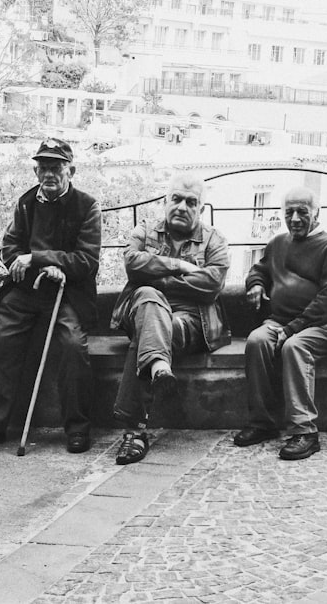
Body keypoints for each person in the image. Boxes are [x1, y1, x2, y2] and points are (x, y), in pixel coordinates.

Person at [0, 138, 101, 455]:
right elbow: (10, 248)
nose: (49, 174)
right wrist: (23, 263)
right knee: (2, 342)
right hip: (27, 290)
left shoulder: (87, 206)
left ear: (71, 170)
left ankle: (78, 428)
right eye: (43, 168)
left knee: (72, 346)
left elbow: (87, 261)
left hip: (69, 293)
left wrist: (45, 261)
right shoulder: (26, 203)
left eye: (56, 167)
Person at [109, 174, 230, 465]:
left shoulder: (215, 241)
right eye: (176, 199)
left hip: (191, 321)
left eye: (191, 202)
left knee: (149, 324)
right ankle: (160, 367)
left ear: (200, 209)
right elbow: (132, 262)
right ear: (165, 201)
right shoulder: (145, 230)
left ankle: (134, 432)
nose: (182, 206)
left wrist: (160, 278)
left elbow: (212, 283)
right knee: (149, 300)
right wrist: (179, 266)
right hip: (141, 309)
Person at [234, 187, 327, 461]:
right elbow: (259, 269)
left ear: (316, 213)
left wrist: (291, 330)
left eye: (302, 212)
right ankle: (262, 423)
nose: (296, 218)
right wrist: (255, 284)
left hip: (325, 324)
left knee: (294, 347)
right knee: (256, 341)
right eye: (289, 212)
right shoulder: (277, 243)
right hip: (281, 320)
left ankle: (305, 431)